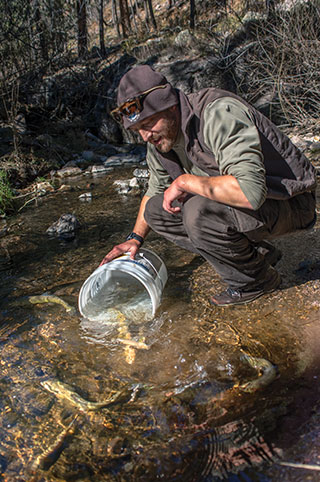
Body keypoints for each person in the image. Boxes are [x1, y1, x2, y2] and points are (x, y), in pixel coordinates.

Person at [100, 64, 317, 306]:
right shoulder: (160, 142)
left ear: (170, 106)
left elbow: (250, 193)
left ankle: (256, 281)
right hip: (253, 210)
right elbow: (154, 191)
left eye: (149, 123)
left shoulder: (217, 112)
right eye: (138, 129)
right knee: (155, 211)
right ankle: (258, 256)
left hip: (290, 203)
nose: (145, 136)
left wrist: (184, 181)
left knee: (198, 210)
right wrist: (134, 238)